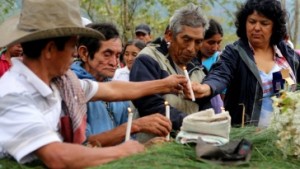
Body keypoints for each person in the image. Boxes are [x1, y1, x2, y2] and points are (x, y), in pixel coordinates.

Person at [0, 0, 187, 168]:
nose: (74, 54)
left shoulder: (62, 83)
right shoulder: (14, 94)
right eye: (72, 46)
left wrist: (165, 84)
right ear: (50, 49)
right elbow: (56, 156)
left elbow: (112, 89)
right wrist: (124, 151)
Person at [191, 0, 300, 127]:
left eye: (264, 23)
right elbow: (220, 74)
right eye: (252, 22)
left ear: (274, 27)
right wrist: (206, 88)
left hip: (284, 135)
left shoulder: (285, 53)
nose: (256, 28)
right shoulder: (234, 53)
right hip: (247, 137)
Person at [71, 23, 170, 147]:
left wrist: (145, 147)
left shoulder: (118, 92)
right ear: (84, 53)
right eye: (107, 54)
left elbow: (127, 140)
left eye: (118, 56)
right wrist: (136, 125)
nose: (114, 63)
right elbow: (84, 145)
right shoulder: (71, 87)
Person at [130, 3, 211, 133]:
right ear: (169, 35)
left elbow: (206, 109)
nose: (191, 48)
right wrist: (194, 125)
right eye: (186, 39)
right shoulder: (148, 59)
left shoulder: (199, 71)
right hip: (153, 147)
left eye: (198, 42)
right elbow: (150, 106)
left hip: (191, 146)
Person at [196, 19, 224, 113]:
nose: (215, 48)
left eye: (218, 43)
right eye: (211, 42)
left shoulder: (220, 61)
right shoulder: (189, 61)